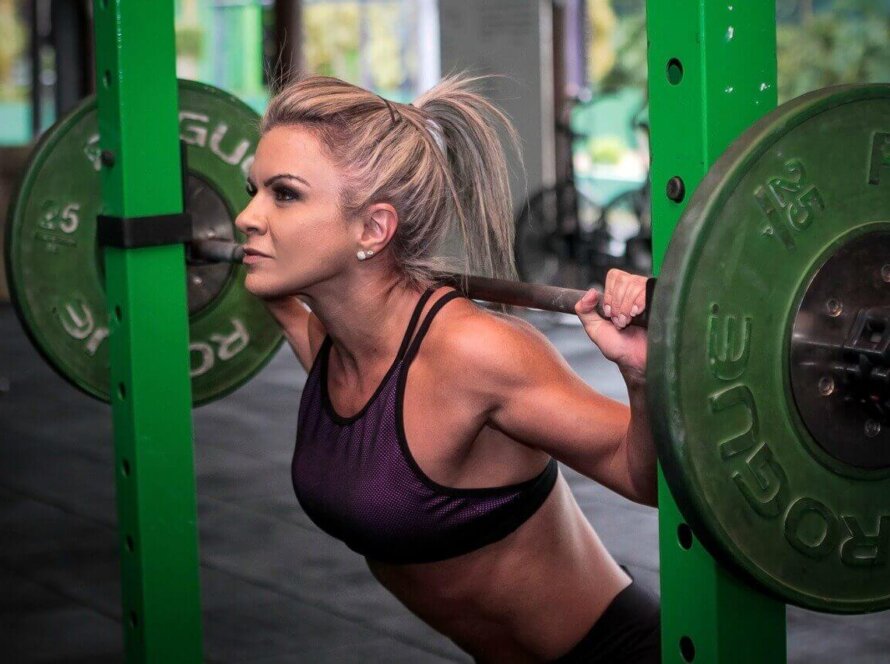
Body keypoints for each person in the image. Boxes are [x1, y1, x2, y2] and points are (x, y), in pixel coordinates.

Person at [235, 74, 659, 663]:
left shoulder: (474, 352)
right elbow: (286, 312)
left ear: (374, 229)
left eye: (283, 194)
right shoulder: (333, 341)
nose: (244, 217)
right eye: (250, 189)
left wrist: (641, 375)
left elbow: (645, 480)